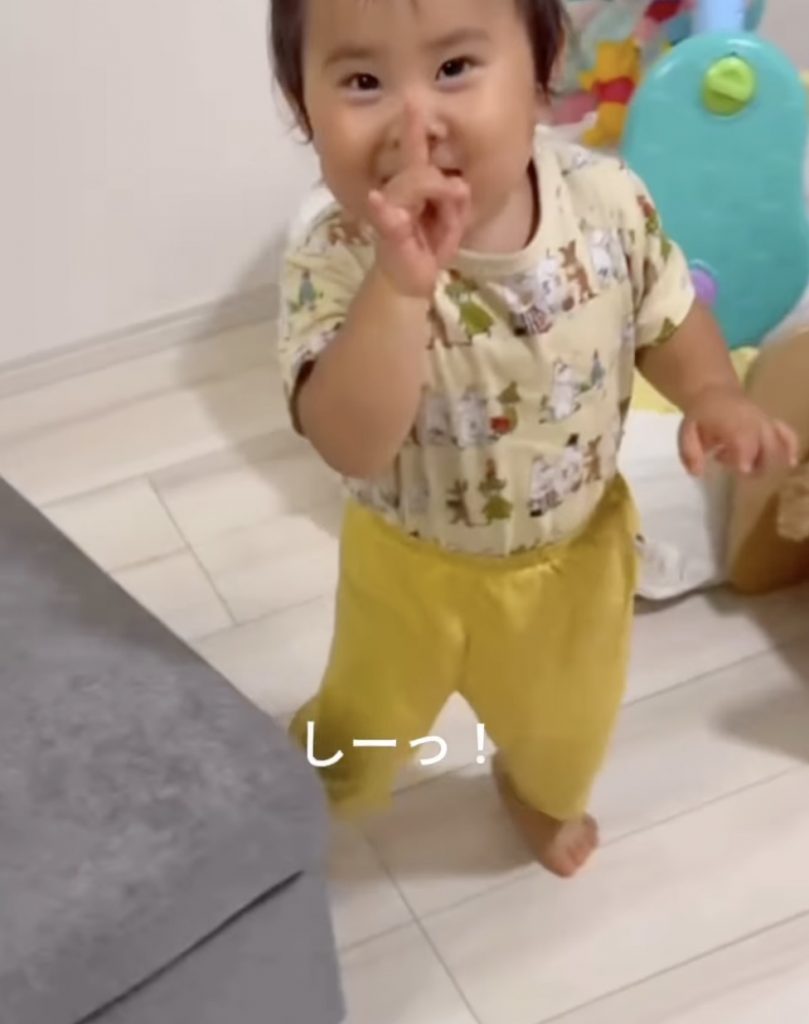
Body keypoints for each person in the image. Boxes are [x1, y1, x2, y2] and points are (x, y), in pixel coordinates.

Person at [269, 0, 798, 877]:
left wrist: (712, 393)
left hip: (572, 560)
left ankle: (535, 789)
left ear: (540, 78)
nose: (414, 121)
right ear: (303, 109)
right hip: (406, 566)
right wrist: (397, 290)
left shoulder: (606, 203)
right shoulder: (336, 256)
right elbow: (351, 443)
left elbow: (666, 314)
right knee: (363, 714)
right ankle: (324, 783)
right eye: (363, 80)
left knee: (567, 719)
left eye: (453, 69)